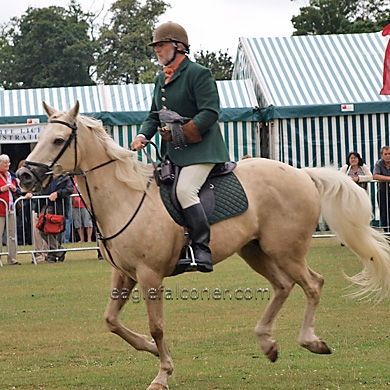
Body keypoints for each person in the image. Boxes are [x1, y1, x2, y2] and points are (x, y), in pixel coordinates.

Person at [130, 22, 230, 273]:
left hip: (203, 150)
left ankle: (201, 249)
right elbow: (155, 114)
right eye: (156, 47)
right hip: (173, 154)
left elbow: (210, 112)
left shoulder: (199, 73)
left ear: (178, 47)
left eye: (161, 46)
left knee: (185, 190)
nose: (157, 51)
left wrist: (181, 133)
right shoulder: (159, 79)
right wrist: (143, 134)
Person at [27, 175, 73, 263]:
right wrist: (31, 194)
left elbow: (70, 190)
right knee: (42, 229)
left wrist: (58, 193)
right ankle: (59, 251)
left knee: (56, 231)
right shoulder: (45, 176)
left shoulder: (65, 177)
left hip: (58, 207)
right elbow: (38, 189)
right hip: (44, 206)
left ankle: (52, 255)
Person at [0, 154, 22, 265]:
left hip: (10, 208)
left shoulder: (11, 175)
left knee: (12, 235)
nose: (7, 164)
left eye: (8, 162)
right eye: (5, 163)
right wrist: (1, 189)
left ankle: (12, 258)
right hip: (0, 210)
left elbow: (19, 190)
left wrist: (15, 189)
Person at [373, 146, 390, 233]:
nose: (388, 156)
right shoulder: (379, 164)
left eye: (389, 154)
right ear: (382, 155)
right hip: (382, 192)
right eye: (385, 154)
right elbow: (375, 175)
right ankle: (387, 233)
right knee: (384, 213)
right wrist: (389, 179)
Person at [72, 178, 93, 242]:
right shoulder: (72, 180)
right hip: (75, 205)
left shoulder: (84, 178)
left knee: (87, 222)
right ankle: (82, 239)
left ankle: (89, 239)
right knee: (78, 223)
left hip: (85, 204)